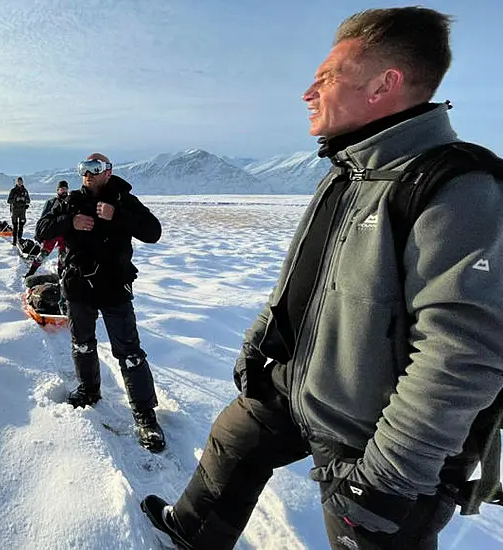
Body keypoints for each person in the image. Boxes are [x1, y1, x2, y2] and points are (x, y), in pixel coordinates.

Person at [142, 7, 503, 549]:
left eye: (327, 77)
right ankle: (192, 533)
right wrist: (260, 341)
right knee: (234, 438)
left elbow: (461, 355)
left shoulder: (457, 187)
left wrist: (390, 477)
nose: (307, 93)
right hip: (304, 384)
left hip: (378, 437)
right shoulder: (346, 174)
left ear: (386, 84)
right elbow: (303, 281)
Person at [36, 154, 166, 453]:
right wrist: (70, 221)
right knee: (82, 343)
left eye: (95, 169)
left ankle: (145, 416)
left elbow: (153, 232)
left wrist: (117, 215)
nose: (88, 175)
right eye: (84, 169)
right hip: (79, 286)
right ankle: (89, 391)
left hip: (114, 288)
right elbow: (42, 230)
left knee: (130, 352)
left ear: (108, 172)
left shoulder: (123, 200)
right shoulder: (67, 202)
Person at [24, 180, 70, 279]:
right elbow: (43, 218)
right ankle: (31, 272)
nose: (64, 191)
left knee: (63, 257)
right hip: (52, 233)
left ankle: (61, 276)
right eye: (62, 189)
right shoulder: (51, 202)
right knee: (43, 254)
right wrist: (39, 233)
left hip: (64, 234)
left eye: (66, 189)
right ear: (58, 190)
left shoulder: (70, 202)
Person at [7, 176, 31, 247]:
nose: (20, 183)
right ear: (17, 182)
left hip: (22, 211)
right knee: (15, 226)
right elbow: (8, 201)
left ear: (22, 182)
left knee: (21, 226)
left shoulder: (25, 191)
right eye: (19, 182)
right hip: (15, 211)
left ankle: (19, 240)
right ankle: (14, 241)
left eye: (21, 182)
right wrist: (15, 199)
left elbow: (28, 200)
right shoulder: (13, 190)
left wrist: (24, 200)